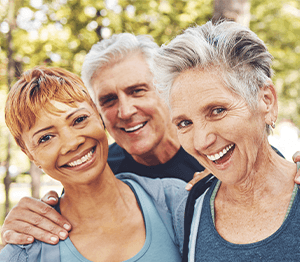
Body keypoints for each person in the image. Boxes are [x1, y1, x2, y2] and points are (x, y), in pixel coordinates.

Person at [0, 33, 207, 246]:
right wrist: (24, 226)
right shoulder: (95, 170)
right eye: (109, 100)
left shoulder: (212, 150)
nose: (125, 111)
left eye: (137, 91)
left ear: (166, 89)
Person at [0, 66, 188, 262]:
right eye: (45, 138)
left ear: (99, 118)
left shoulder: (177, 204)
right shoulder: (23, 259)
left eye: (79, 119)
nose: (71, 143)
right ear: (30, 155)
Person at [152, 20, 300, 262]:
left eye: (217, 110)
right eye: (184, 123)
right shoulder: (190, 209)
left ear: (266, 100)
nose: (201, 141)